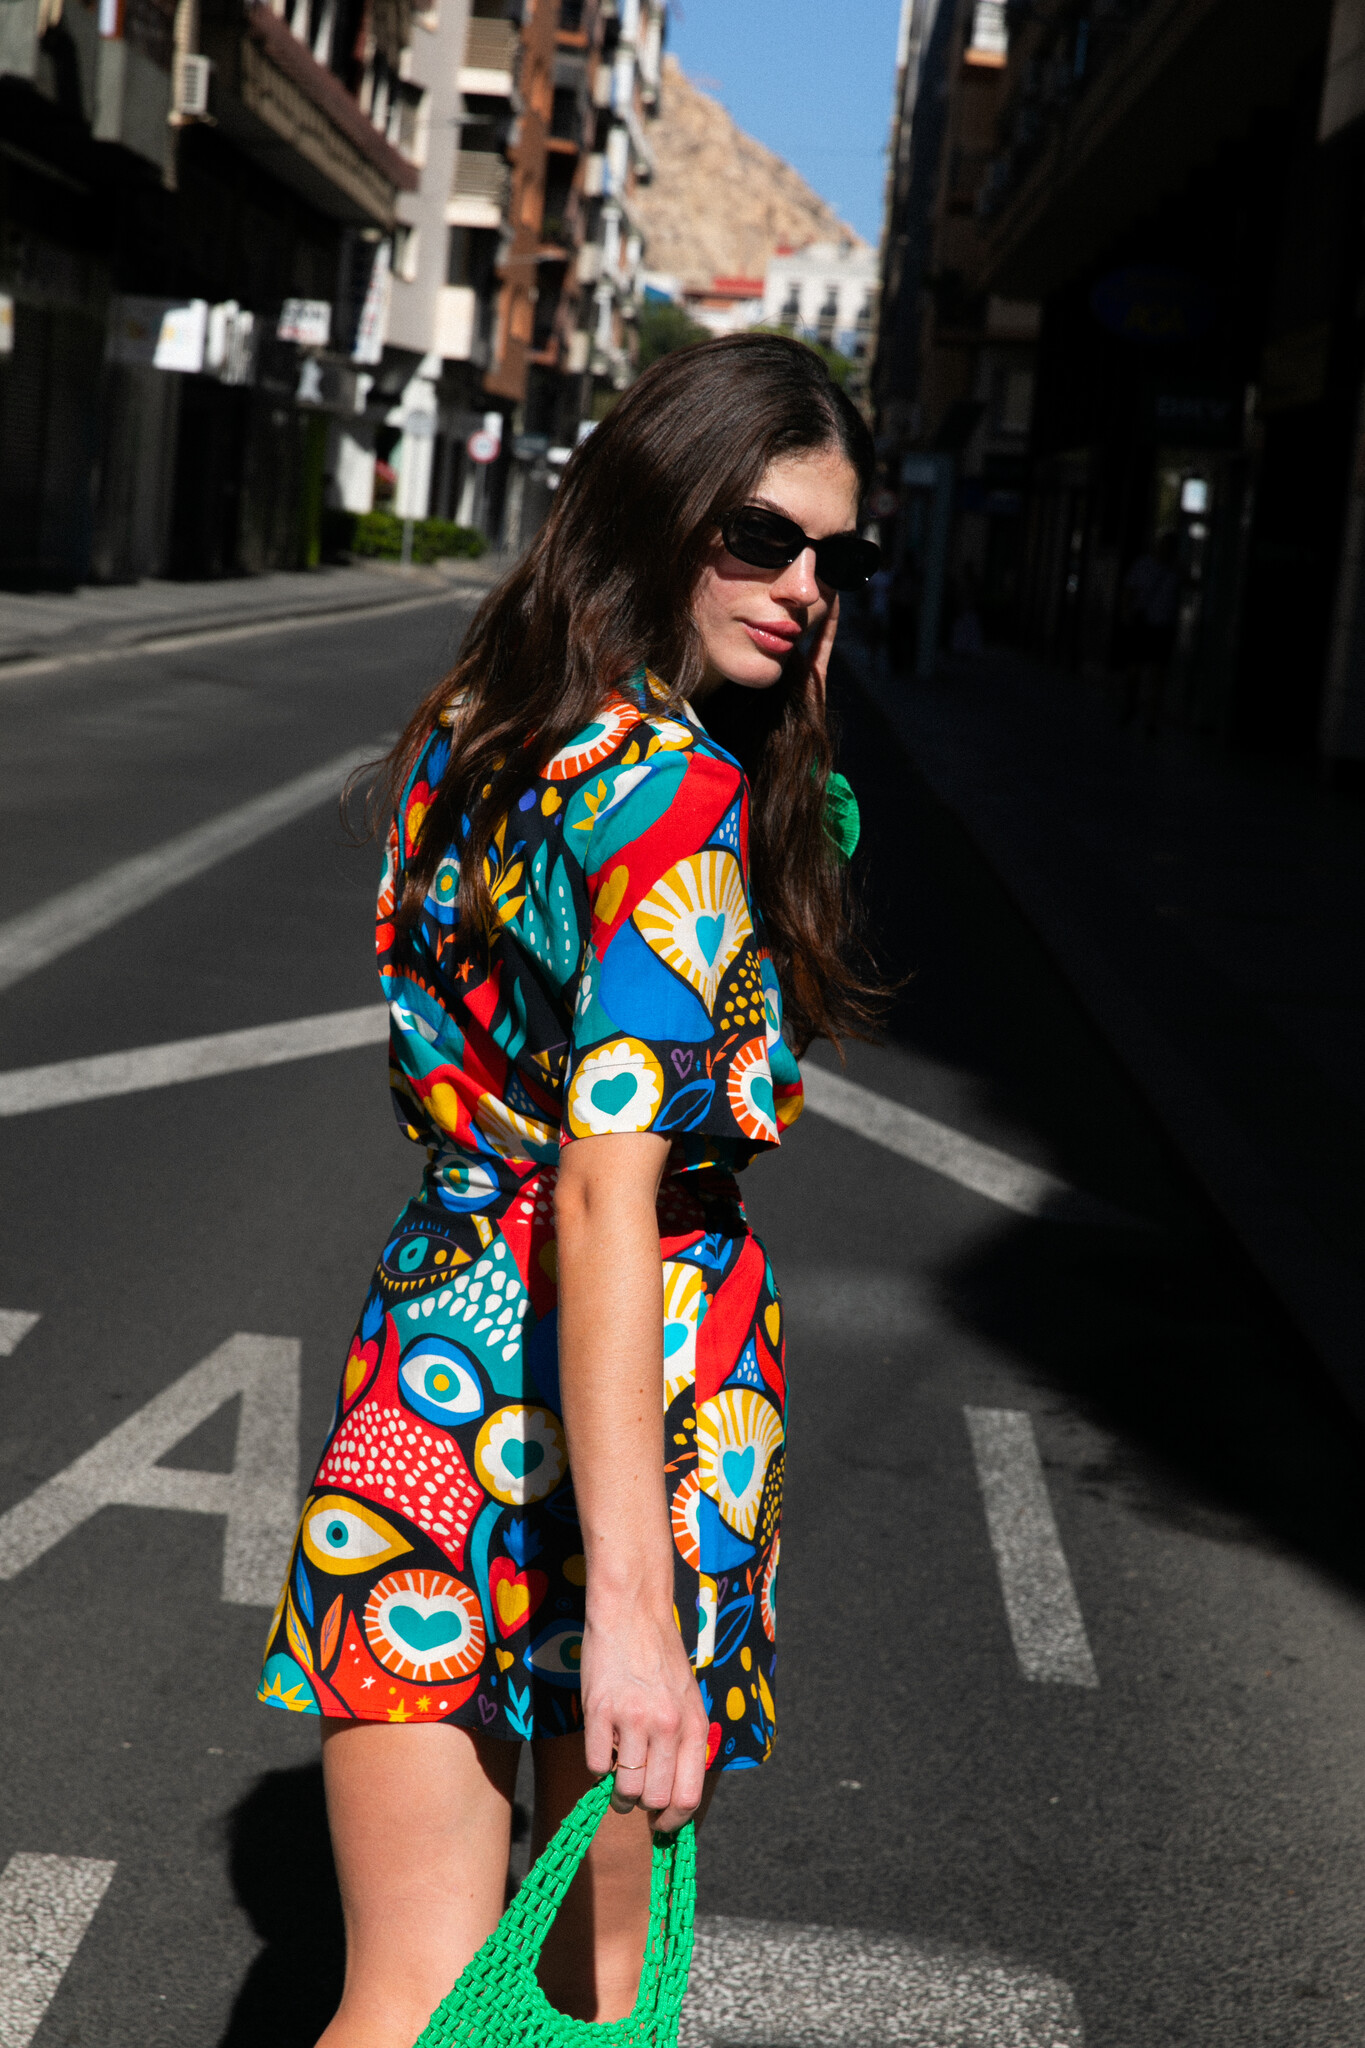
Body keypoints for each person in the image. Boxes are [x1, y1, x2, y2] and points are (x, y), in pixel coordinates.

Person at [256, 333, 881, 2048]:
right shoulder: (674, 800)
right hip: (646, 1402)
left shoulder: (473, 741)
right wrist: (633, 1612)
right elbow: (611, 1196)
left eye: (835, 557)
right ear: (656, 512)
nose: (802, 587)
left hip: (437, 1372)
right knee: (592, 2007)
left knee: (400, 1997)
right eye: (758, 537)